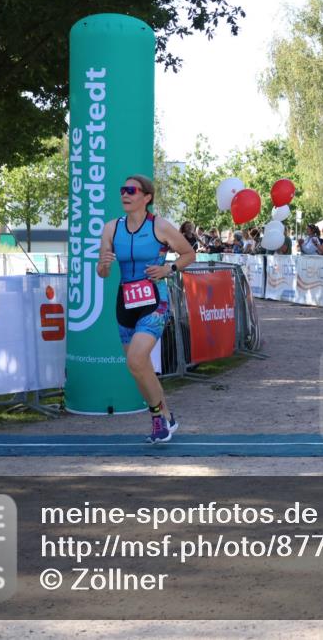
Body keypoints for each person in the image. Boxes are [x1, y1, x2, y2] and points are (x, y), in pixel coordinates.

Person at [97, 174, 196, 444]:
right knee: (139, 368)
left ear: (146, 197)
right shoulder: (110, 228)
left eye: (131, 190)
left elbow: (189, 254)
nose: (125, 195)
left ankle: (156, 420)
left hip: (154, 300)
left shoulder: (160, 227)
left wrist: (168, 268)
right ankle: (167, 416)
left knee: (136, 360)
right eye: (122, 190)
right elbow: (103, 271)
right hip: (125, 302)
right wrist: (103, 264)